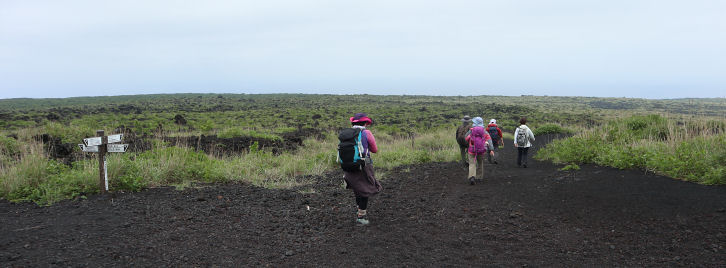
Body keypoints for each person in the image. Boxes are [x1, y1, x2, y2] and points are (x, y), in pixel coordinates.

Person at [341, 113, 382, 225]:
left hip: (348, 165)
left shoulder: (347, 134)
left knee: (357, 188)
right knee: (365, 189)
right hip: (363, 165)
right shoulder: (366, 133)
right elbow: (374, 149)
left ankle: (359, 210)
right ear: (364, 123)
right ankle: (361, 216)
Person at [465, 117, 494, 185]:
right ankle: (479, 177)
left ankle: (472, 176)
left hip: (471, 150)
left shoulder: (471, 130)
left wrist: (468, 145)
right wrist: (491, 149)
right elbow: (489, 140)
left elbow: (466, 138)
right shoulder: (484, 131)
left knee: (472, 163)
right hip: (481, 150)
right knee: (480, 163)